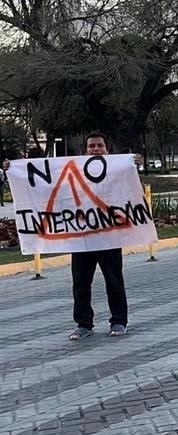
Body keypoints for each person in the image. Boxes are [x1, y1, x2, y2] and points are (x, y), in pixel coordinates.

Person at [3, 133, 135, 340]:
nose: (96, 149)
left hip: (109, 237)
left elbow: (130, 186)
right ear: (85, 150)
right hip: (81, 237)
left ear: (107, 149)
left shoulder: (116, 170)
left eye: (100, 145)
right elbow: (44, 184)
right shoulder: (72, 170)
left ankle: (118, 321)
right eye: (92, 146)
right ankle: (84, 324)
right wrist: (14, 169)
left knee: (114, 281)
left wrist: (134, 164)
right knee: (81, 283)